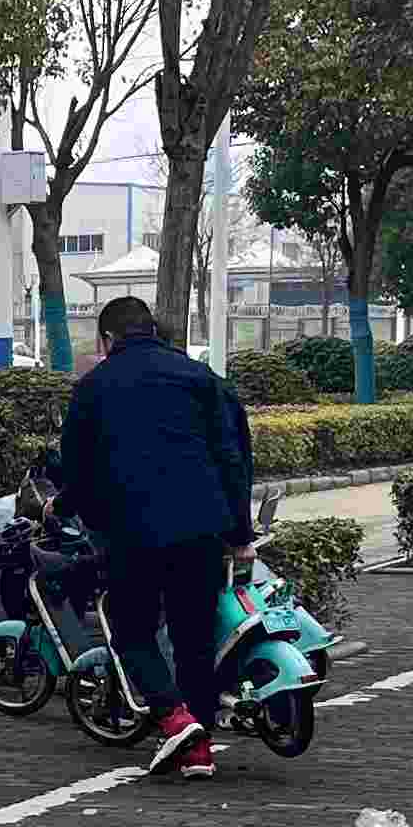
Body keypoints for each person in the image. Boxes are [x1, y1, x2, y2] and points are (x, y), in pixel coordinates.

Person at [52, 295, 254, 782]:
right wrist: (239, 532)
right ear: (154, 331)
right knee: (194, 638)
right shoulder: (200, 378)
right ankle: (199, 751)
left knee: (132, 631)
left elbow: (77, 467)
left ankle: (175, 719)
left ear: (107, 339)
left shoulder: (93, 387)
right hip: (201, 527)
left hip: (131, 531)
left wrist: (72, 511)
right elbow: (233, 456)